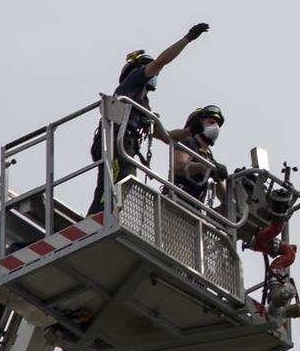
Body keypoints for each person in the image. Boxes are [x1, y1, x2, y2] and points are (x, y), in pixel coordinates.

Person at [87, 22, 208, 212]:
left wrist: (188, 131)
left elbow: (166, 137)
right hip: (114, 142)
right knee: (122, 178)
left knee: (118, 182)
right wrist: (188, 38)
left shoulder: (143, 106)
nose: (154, 71)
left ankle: (101, 215)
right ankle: (100, 217)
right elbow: (161, 61)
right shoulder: (130, 84)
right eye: (149, 68)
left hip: (123, 146)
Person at [169, 104, 228, 205]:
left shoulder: (208, 156)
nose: (216, 127)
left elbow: (224, 198)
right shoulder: (187, 141)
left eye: (218, 125)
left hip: (195, 210)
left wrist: (219, 175)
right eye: (211, 122)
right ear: (198, 124)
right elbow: (178, 167)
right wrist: (207, 166)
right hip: (175, 203)